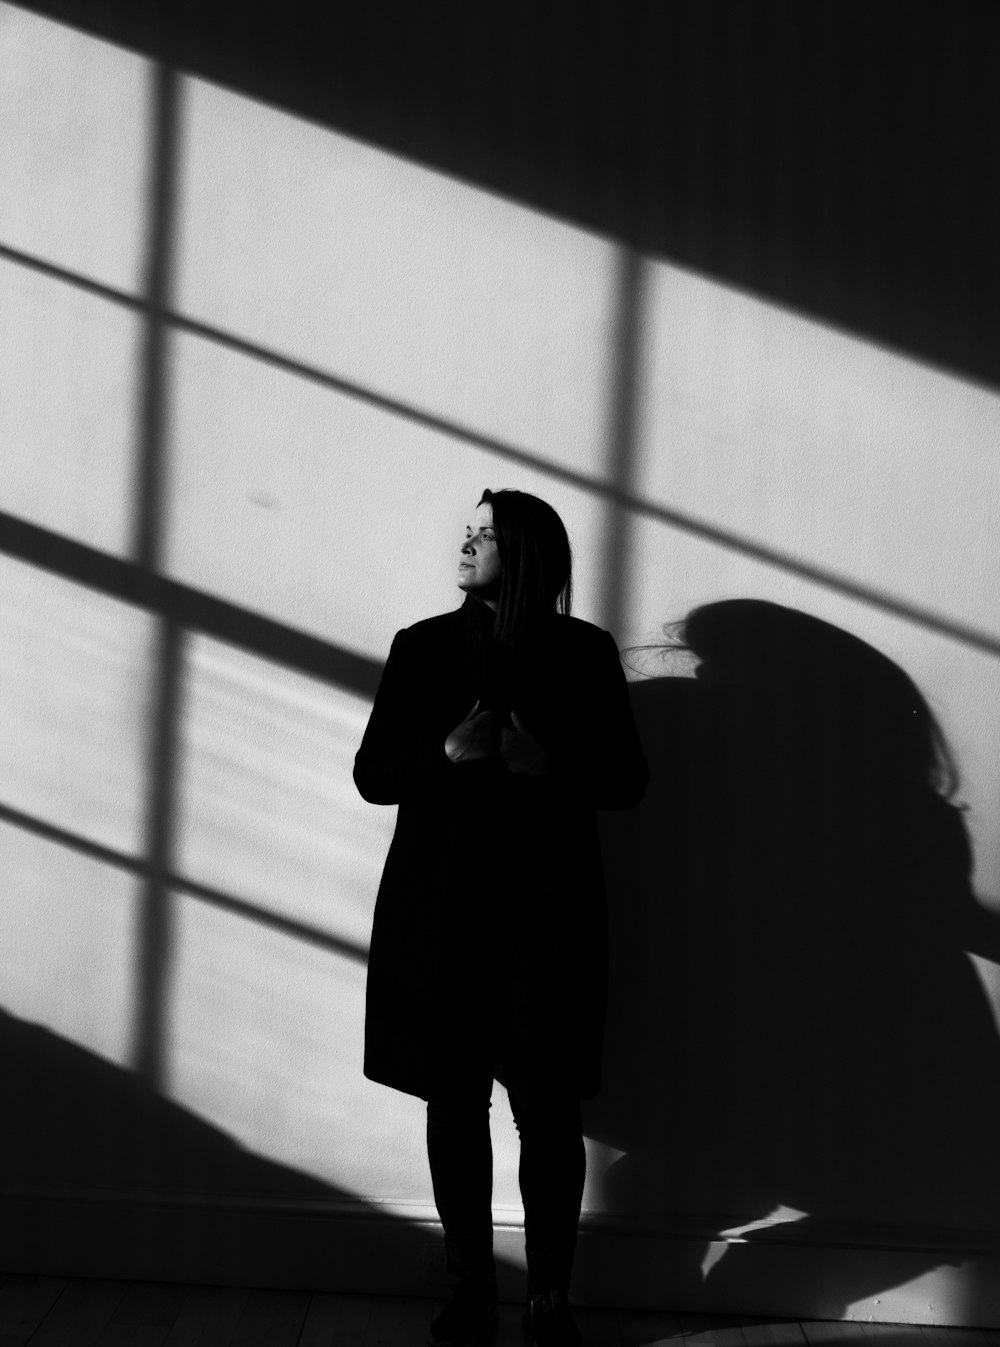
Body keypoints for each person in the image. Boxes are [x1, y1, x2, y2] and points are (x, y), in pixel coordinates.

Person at [354, 489, 648, 1347]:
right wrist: (444, 755)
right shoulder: (421, 647)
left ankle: (549, 1298)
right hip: (435, 913)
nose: (467, 542)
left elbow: (629, 780)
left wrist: (544, 762)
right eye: (468, 530)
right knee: (453, 1102)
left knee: (547, 1108)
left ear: (525, 553)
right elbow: (373, 771)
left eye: (485, 533)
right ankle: (473, 1288)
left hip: (545, 918)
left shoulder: (585, 653)